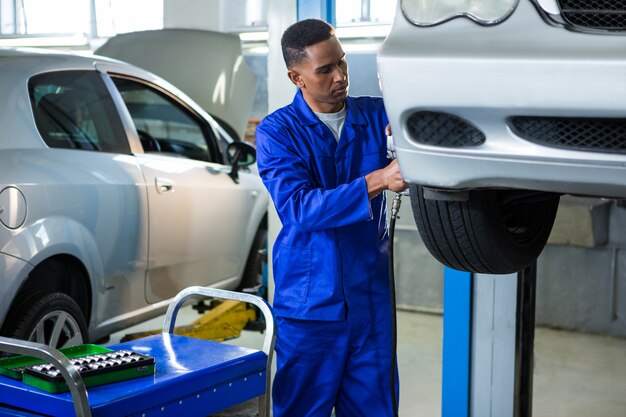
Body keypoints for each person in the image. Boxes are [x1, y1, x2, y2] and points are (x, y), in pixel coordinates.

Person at [255, 18, 409, 417]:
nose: (340, 77)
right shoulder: (278, 132)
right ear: (296, 77)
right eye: (325, 69)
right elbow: (300, 209)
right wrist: (377, 180)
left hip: (370, 302)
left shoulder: (377, 117)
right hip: (310, 306)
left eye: (342, 63)